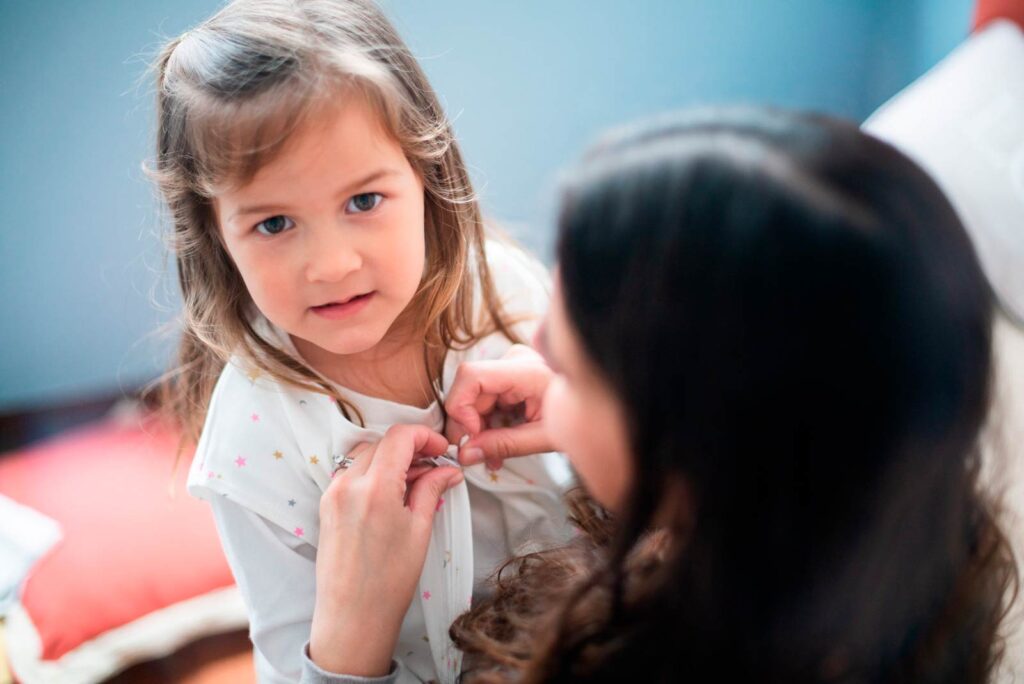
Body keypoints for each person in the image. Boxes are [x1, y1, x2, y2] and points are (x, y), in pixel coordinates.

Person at [305, 108, 1020, 683]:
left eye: (579, 370)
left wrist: (347, 640)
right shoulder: (930, 551)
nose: (535, 341)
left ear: (697, 449)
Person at [147, 1, 574, 681]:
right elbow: (292, 665)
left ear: (425, 173)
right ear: (216, 236)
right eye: (274, 223)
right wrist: (355, 626)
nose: (332, 265)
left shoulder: (507, 291)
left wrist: (587, 418)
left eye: (364, 202)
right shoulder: (252, 444)